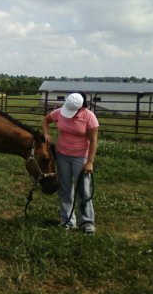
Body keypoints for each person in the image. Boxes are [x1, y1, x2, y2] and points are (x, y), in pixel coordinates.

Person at [42, 92, 99, 234]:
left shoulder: (89, 117)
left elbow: (93, 141)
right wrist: (47, 133)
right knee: (65, 189)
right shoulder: (60, 112)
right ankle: (67, 220)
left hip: (81, 158)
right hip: (62, 156)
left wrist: (90, 162)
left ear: (80, 108)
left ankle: (87, 222)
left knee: (84, 190)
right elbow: (45, 120)